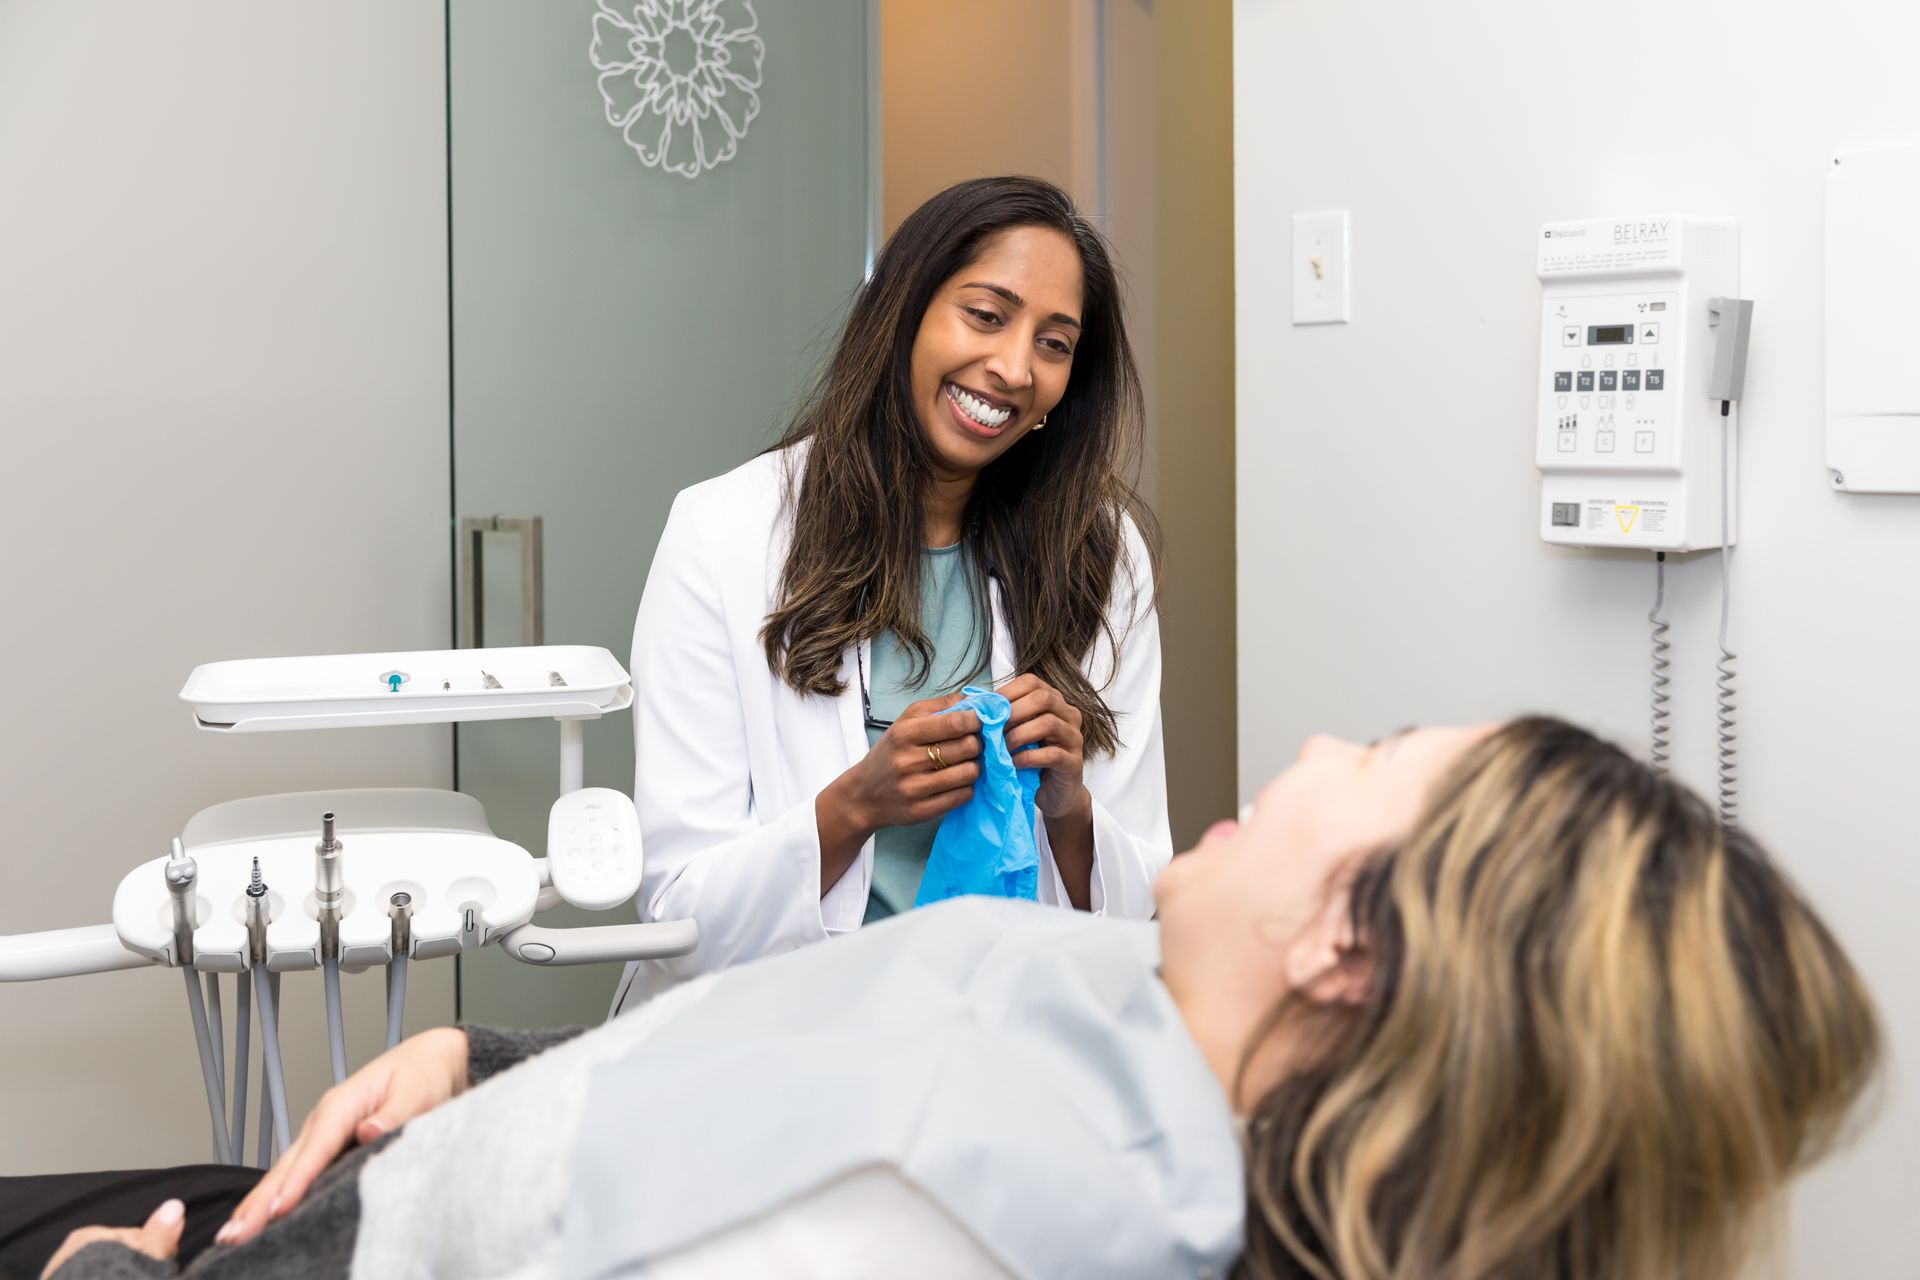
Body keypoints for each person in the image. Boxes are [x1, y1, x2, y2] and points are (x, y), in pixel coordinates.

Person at [14, 716, 1882, 1280]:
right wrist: (476, 1058)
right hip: (400, 1162)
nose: (1314, 735)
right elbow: (780, 1060)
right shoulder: (1144, 1019)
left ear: (1349, 946)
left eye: (1375, 748)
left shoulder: (928, 1223)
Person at [609, 175, 1168, 1011]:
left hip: (995, 1035)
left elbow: (1141, 907)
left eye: (1054, 344)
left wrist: (1069, 811)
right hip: (772, 1034)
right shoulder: (723, 532)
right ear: (904, 312)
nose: (1014, 367)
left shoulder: (1101, 555)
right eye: (985, 315)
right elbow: (680, 912)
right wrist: (855, 806)